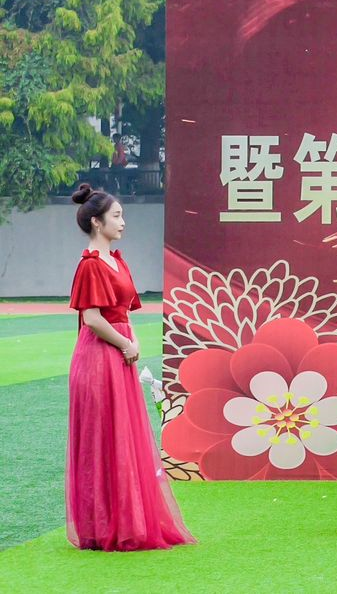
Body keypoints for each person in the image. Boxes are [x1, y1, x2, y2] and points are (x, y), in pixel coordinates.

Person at [66, 183, 194, 551]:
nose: (123, 222)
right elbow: (92, 317)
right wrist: (125, 344)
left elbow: (124, 312)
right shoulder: (90, 265)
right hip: (98, 358)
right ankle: (102, 526)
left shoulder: (117, 260)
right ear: (97, 222)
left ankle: (126, 521)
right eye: (117, 216)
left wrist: (131, 343)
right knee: (103, 439)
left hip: (120, 354)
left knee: (122, 436)